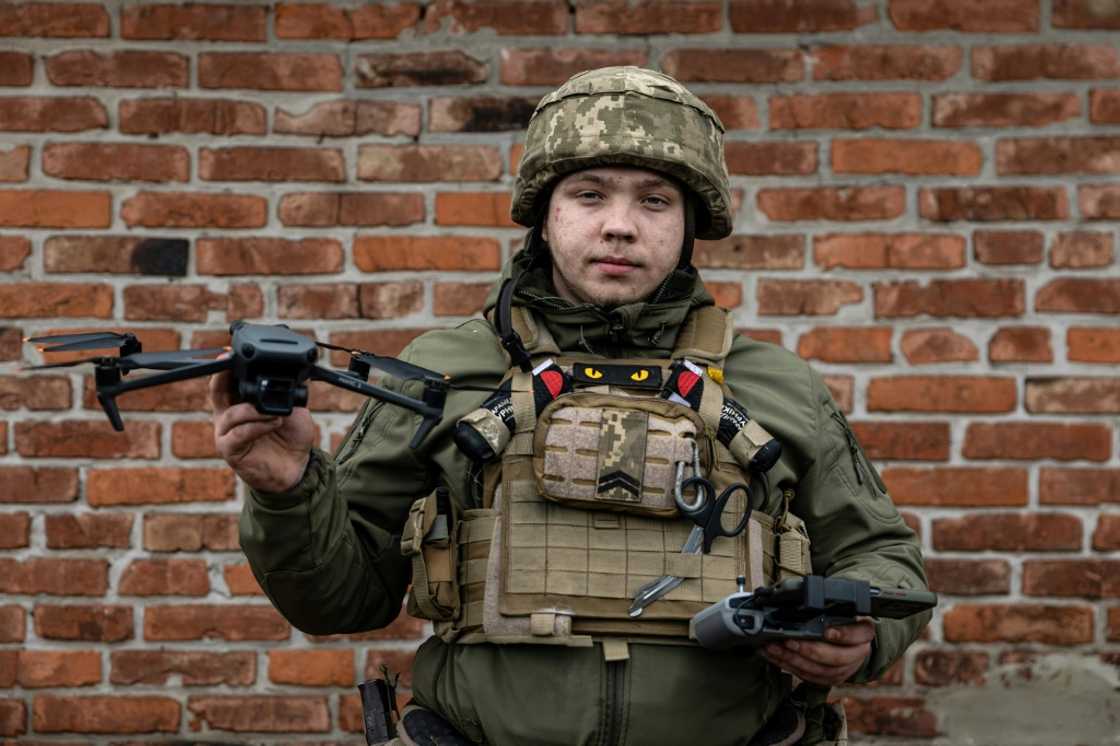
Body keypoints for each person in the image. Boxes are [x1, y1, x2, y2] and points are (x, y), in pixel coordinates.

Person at [211, 67, 930, 746]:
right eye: (590, 194)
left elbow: (884, 559)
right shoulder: (442, 369)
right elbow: (343, 600)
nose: (620, 225)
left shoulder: (776, 384)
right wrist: (287, 490)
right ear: (545, 212)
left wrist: (863, 638)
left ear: (688, 224)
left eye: (654, 200)